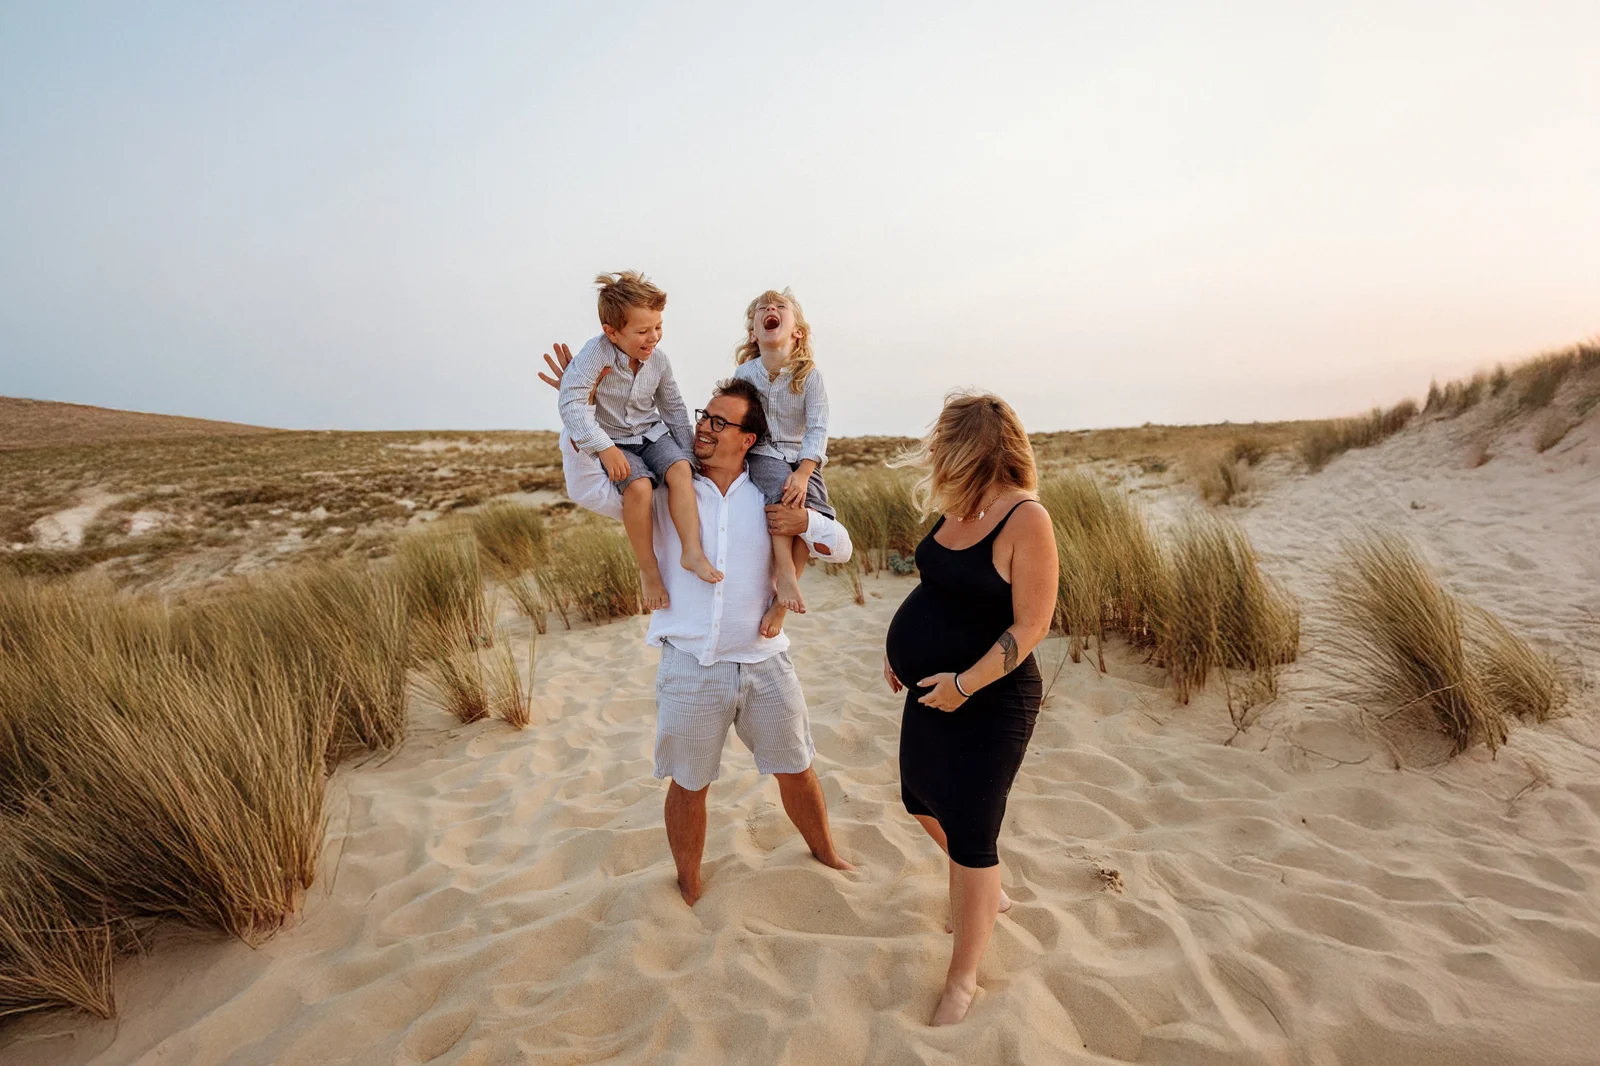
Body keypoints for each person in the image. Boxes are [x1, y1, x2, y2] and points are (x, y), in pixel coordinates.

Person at [543, 351, 857, 906]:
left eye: (719, 422)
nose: (703, 428)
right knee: (689, 784)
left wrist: (805, 521)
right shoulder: (666, 489)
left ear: (750, 439)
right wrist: (581, 414)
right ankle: (688, 883)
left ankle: (826, 851)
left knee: (798, 768)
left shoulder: (773, 488)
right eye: (703, 417)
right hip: (690, 662)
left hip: (764, 660)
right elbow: (587, 488)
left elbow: (841, 548)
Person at [882, 392, 1058, 1026]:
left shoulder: (1025, 519)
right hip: (936, 688)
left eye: (944, 445)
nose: (936, 456)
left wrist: (965, 683)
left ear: (977, 447)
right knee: (919, 799)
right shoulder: (958, 508)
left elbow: (1032, 625)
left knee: (973, 833)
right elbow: (937, 586)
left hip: (993, 697)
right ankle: (987, 892)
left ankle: (963, 979)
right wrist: (899, 650)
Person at [557, 271, 721, 612]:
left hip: (651, 432)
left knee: (679, 470)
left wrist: (688, 450)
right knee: (640, 489)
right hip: (613, 439)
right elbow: (570, 402)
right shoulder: (594, 355)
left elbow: (673, 406)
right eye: (643, 331)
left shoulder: (658, 360)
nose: (654, 337)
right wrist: (603, 447)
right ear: (612, 332)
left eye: (658, 327)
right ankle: (649, 571)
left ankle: (691, 551)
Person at [732, 288, 833, 637]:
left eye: (779, 307)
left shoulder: (809, 375)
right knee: (781, 493)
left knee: (813, 513)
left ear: (797, 331)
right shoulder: (744, 375)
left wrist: (806, 472)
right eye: (762, 308)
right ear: (753, 333)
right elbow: (734, 418)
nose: (770, 309)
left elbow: (818, 426)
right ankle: (785, 576)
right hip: (763, 452)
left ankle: (781, 603)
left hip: (802, 457)